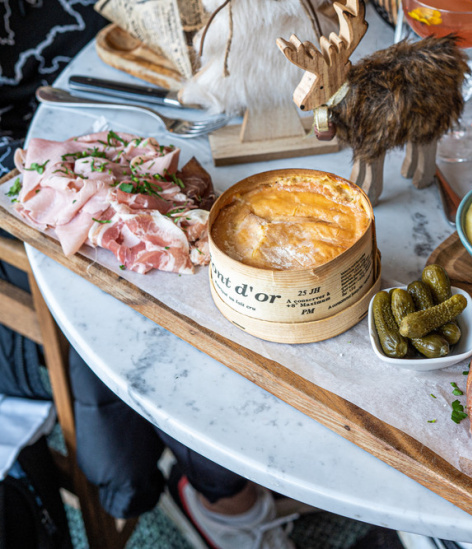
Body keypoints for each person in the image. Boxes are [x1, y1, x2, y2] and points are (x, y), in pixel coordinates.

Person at [0, 2, 301, 548]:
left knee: (254, 254)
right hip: (24, 213)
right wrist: (98, 192)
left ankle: (268, 461)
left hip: (97, 96)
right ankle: (224, 499)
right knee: (171, 310)